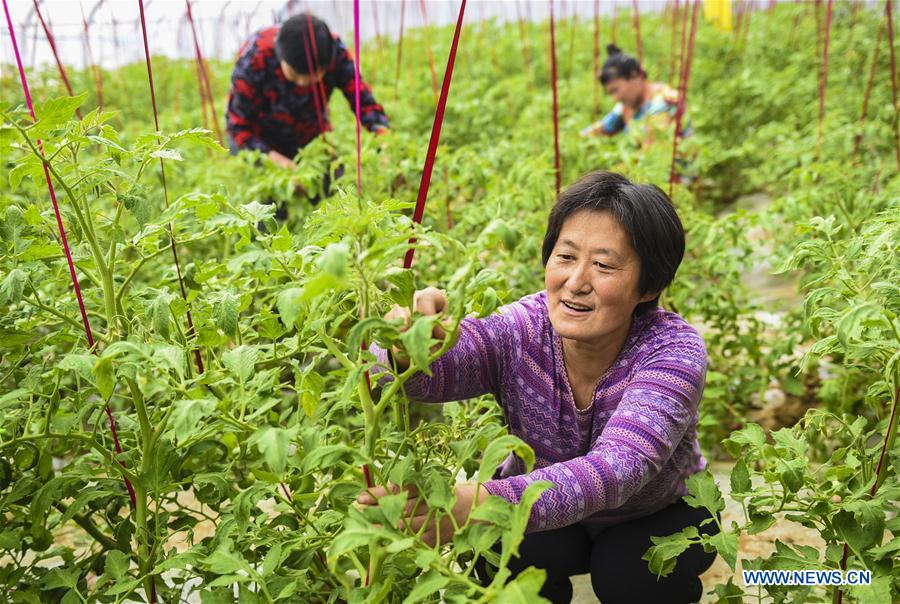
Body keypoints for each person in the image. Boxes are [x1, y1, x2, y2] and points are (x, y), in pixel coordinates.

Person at [359, 171, 717, 603]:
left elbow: (618, 470)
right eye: (566, 257)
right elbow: (421, 377)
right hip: (553, 513)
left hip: (658, 511)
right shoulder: (525, 328)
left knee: (628, 571)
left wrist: (479, 501)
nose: (577, 281)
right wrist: (407, 344)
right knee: (496, 547)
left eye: (604, 265)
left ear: (650, 286)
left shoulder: (672, 353)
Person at [226, 13, 389, 172]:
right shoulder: (255, 59)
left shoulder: (335, 52)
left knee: (334, 185)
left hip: (311, 137)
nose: (303, 83)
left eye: (314, 77)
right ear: (280, 57)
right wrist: (279, 163)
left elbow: (365, 104)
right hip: (261, 140)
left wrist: (386, 146)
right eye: (294, 75)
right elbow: (238, 127)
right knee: (265, 196)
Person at [581, 45, 692, 143]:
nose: (615, 98)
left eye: (615, 90)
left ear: (635, 77)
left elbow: (653, 153)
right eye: (610, 93)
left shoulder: (663, 103)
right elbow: (603, 127)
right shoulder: (627, 105)